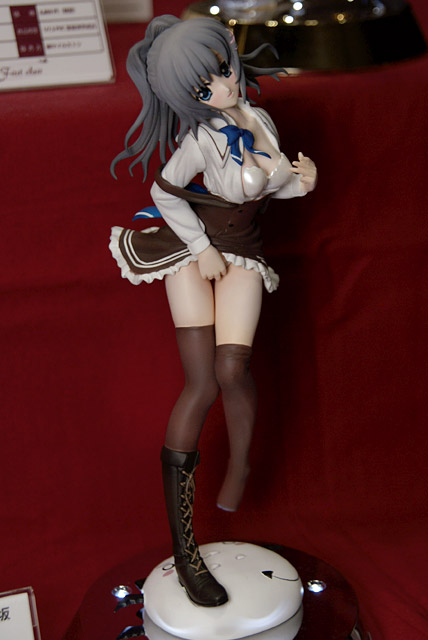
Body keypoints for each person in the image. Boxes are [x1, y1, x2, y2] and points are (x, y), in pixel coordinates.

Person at [109, 14, 317, 609]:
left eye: (223, 72)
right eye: (204, 87)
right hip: (193, 248)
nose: (224, 87)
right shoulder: (201, 139)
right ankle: (185, 550)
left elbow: (272, 184)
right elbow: (162, 190)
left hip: (243, 249)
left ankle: (241, 466)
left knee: (232, 368)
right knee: (201, 381)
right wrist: (200, 249)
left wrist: (302, 181)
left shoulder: (260, 120)